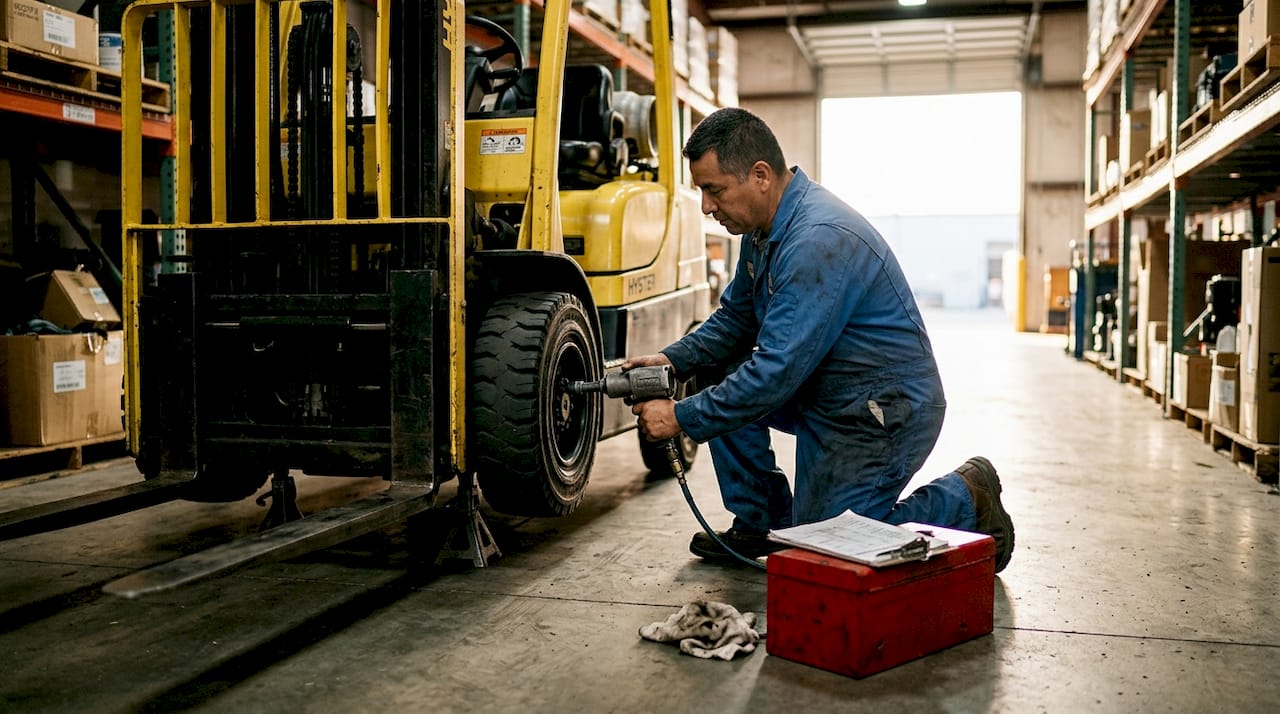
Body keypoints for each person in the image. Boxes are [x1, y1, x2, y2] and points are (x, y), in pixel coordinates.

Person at [624, 107, 1014, 572]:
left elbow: (774, 373)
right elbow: (735, 320)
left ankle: (967, 498)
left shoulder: (816, 239)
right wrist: (671, 361)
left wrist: (680, 417)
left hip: (881, 411)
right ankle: (762, 521)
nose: (707, 206)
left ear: (761, 176)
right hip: (826, 392)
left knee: (824, 552)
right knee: (717, 368)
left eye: (714, 190)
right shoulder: (764, 229)